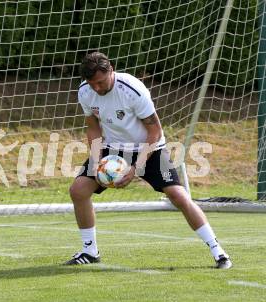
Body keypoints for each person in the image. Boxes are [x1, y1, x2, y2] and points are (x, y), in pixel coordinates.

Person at [64, 52, 232, 269]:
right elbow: (94, 127)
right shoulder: (85, 92)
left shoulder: (133, 90)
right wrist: (96, 163)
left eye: (100, 82)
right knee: (78, 190)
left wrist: (135, 169)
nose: (96, 88)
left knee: (178, 196)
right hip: (113, 149)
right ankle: (89, 251)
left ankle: (218, 252)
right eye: (91, 83)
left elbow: (154, 132)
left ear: (111, 70)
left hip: (150, 148)